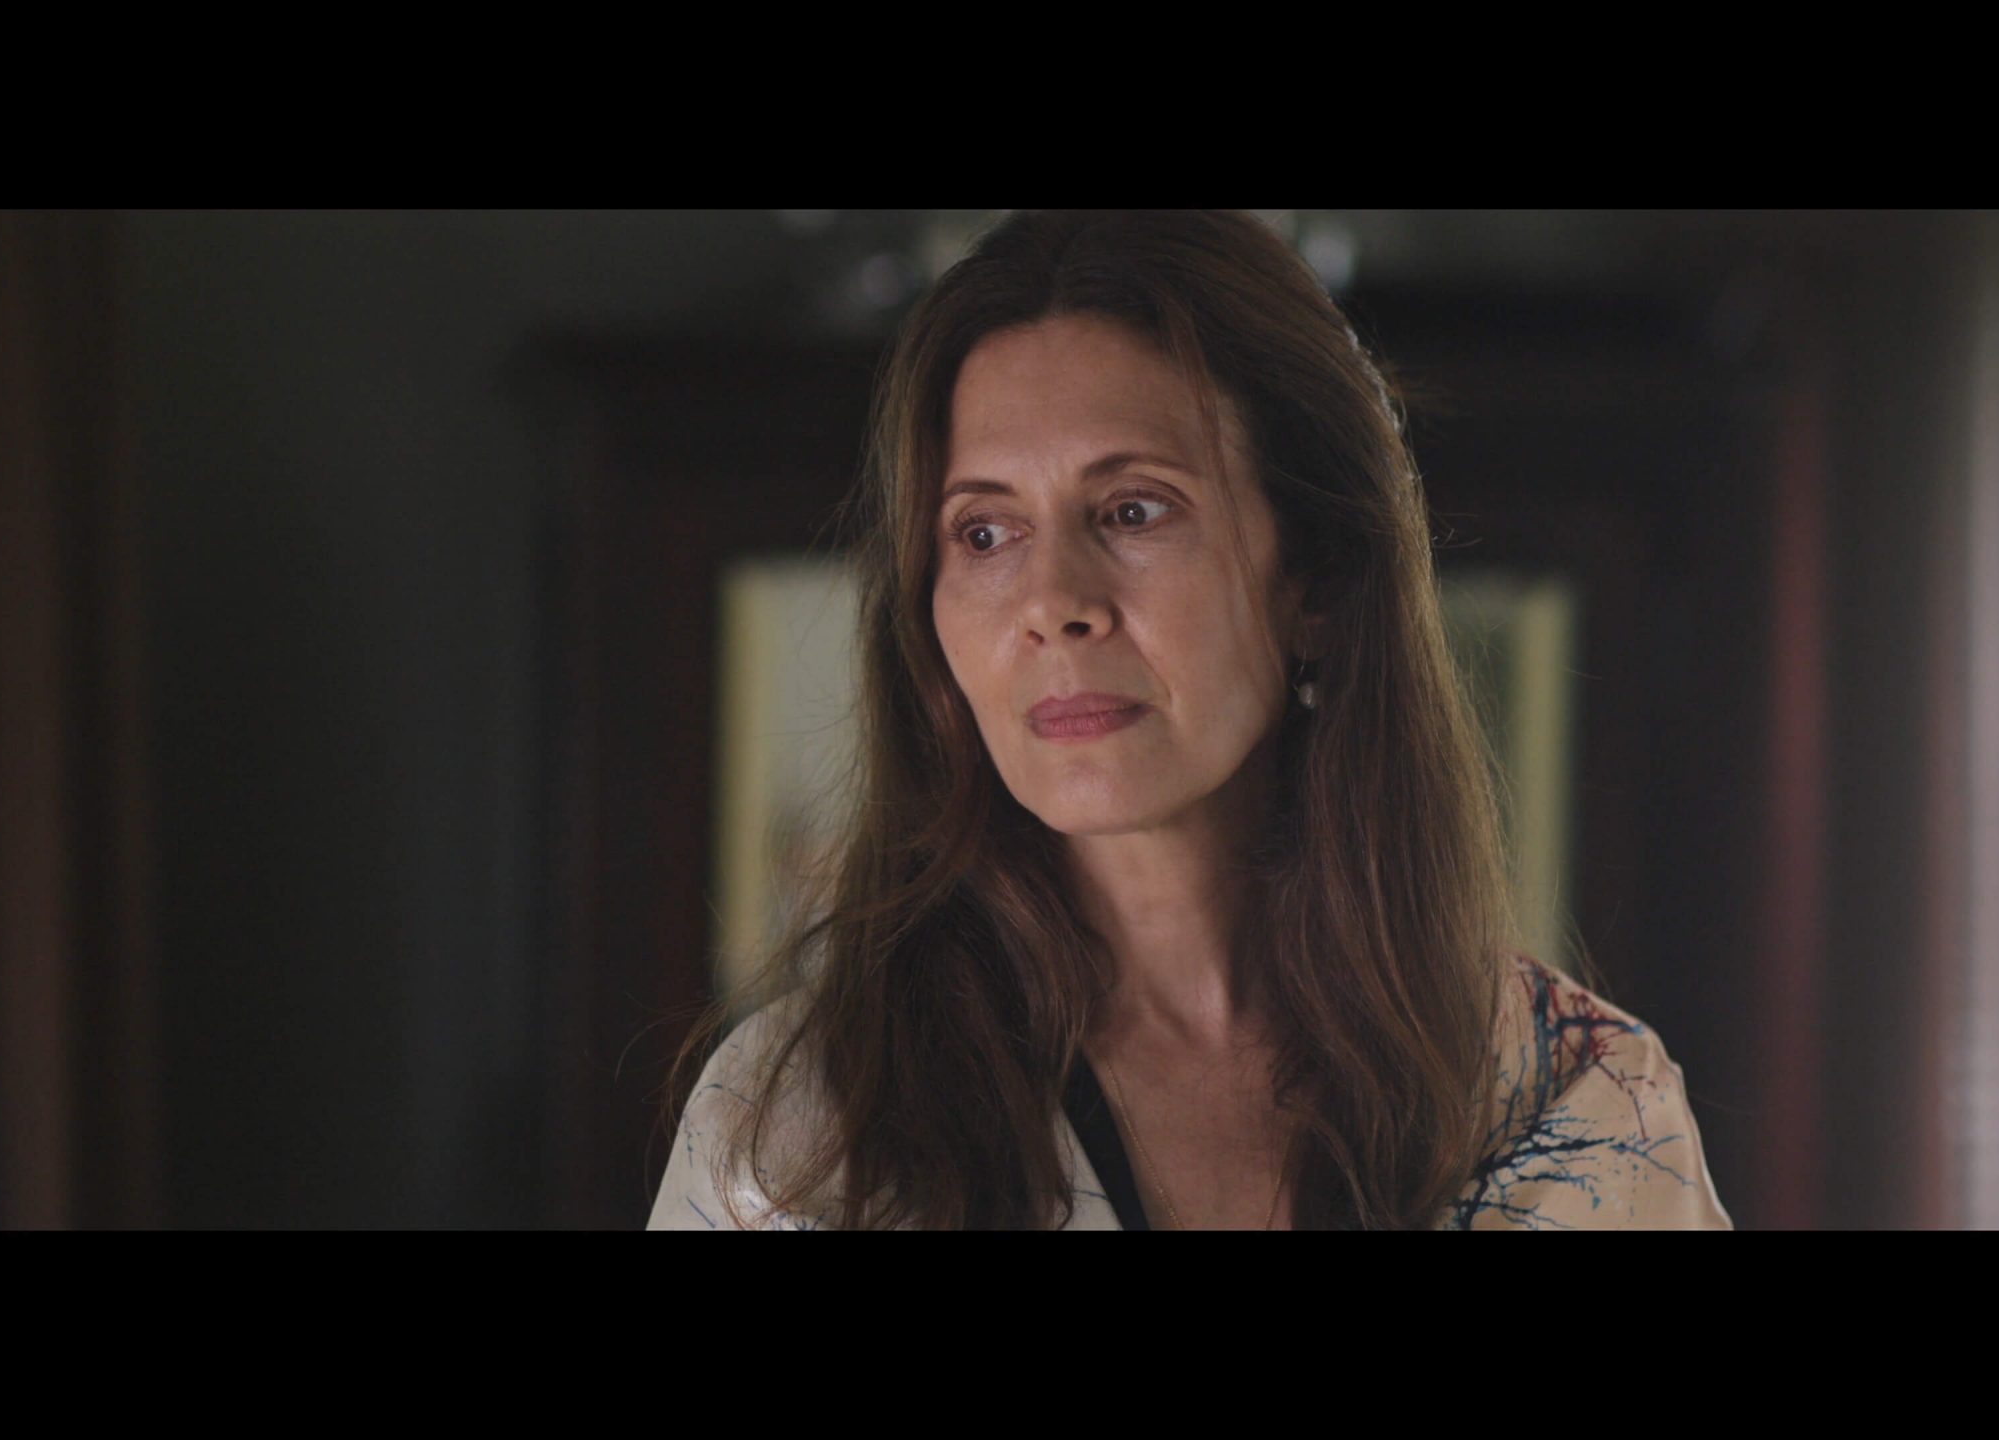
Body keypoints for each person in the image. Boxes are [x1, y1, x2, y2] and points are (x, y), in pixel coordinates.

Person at [648, 210, 1731, 1230]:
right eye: (983, 533)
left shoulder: (1576, 1104)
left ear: (1314, 578)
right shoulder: (800, 1131)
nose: (1052, 603)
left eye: (1133, 510)